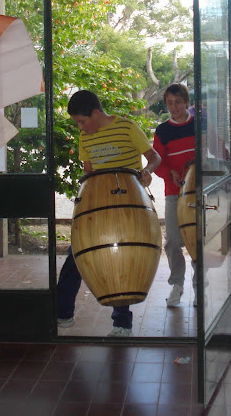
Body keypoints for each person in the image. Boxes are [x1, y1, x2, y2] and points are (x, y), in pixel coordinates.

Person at [56, 90, 161, 337]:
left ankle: (122, 323)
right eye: (77, 124)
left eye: (82, 121)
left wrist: (148, 172)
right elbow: (89, 173)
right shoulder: (85, 137)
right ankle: (62, 314)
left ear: (96, 113)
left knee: (122, 254)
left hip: (129, 202)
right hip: (97, 205)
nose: (81, 127)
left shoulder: (127, 127)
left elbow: (154, 157)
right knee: (79, 254)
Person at [152, 83, 197, 307]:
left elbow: (218, 151)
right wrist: (169, 173)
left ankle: (200, 287)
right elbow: (157, 162)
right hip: (173, 193)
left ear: (187, 102)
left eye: (178, 102)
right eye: (169, 103)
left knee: (199, 239)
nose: (174, 107)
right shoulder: (162, 131)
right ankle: (177, 285)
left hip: (199, 194)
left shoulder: (200, 125)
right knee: (172, 240)